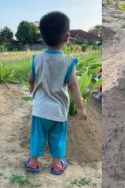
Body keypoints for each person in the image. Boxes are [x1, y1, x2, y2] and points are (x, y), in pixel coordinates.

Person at [24, 11, 87, 175]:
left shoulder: (36, 59)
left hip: (40, 108)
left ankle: (33, 162)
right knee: (58, 137)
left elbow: (31, 79)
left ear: (42, 37)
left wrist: (33, 91)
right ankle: (57, 164)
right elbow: (73, 85)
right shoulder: (68, 62)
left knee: (37, 135)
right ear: (67, 38)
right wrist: (80, 108)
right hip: (58, 111)